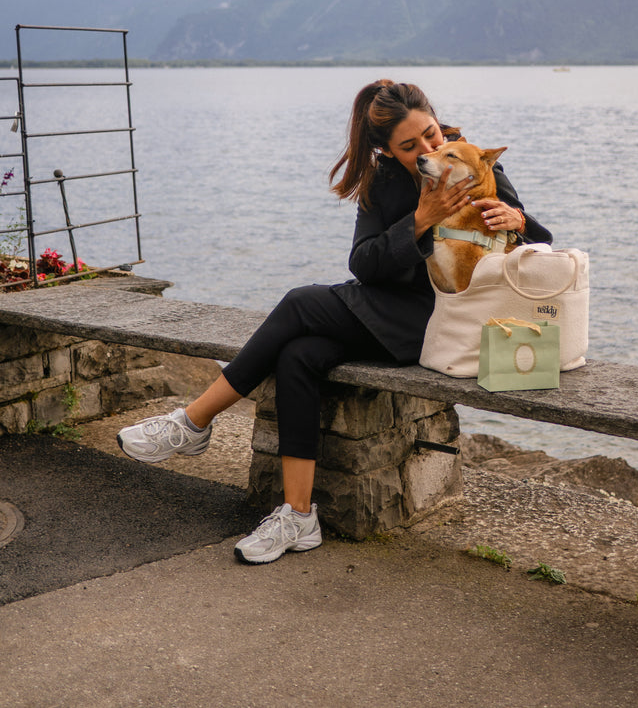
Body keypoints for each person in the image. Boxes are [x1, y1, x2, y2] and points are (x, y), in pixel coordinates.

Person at [117, 79, 552, 564]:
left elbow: (539, 240)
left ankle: (194, 421)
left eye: (430, 134)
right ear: (385, 151)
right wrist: (417, 222)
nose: (428, 149)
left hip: (437, 320)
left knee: (300, 303)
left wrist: (517, 220)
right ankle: (298, 516)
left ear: (436, 117)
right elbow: (363, 263)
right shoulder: (383, 183)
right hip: (385, 310)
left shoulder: (473, 161)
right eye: (409, 146)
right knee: (298, 355)